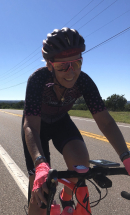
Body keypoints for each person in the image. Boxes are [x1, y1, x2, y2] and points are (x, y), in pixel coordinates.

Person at [21, 27, 130, 215]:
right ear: (49, 65)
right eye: (62, 66)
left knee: (81, 167)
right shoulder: (38, 79)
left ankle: (66, 195)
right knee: (40, 193)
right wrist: (39, 165)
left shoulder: (84, 81)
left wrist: (126, 157)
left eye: (77, 64)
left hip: (62, 122)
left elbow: (106, 122)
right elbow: (31, 125)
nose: (71, 73)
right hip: (37, 127)